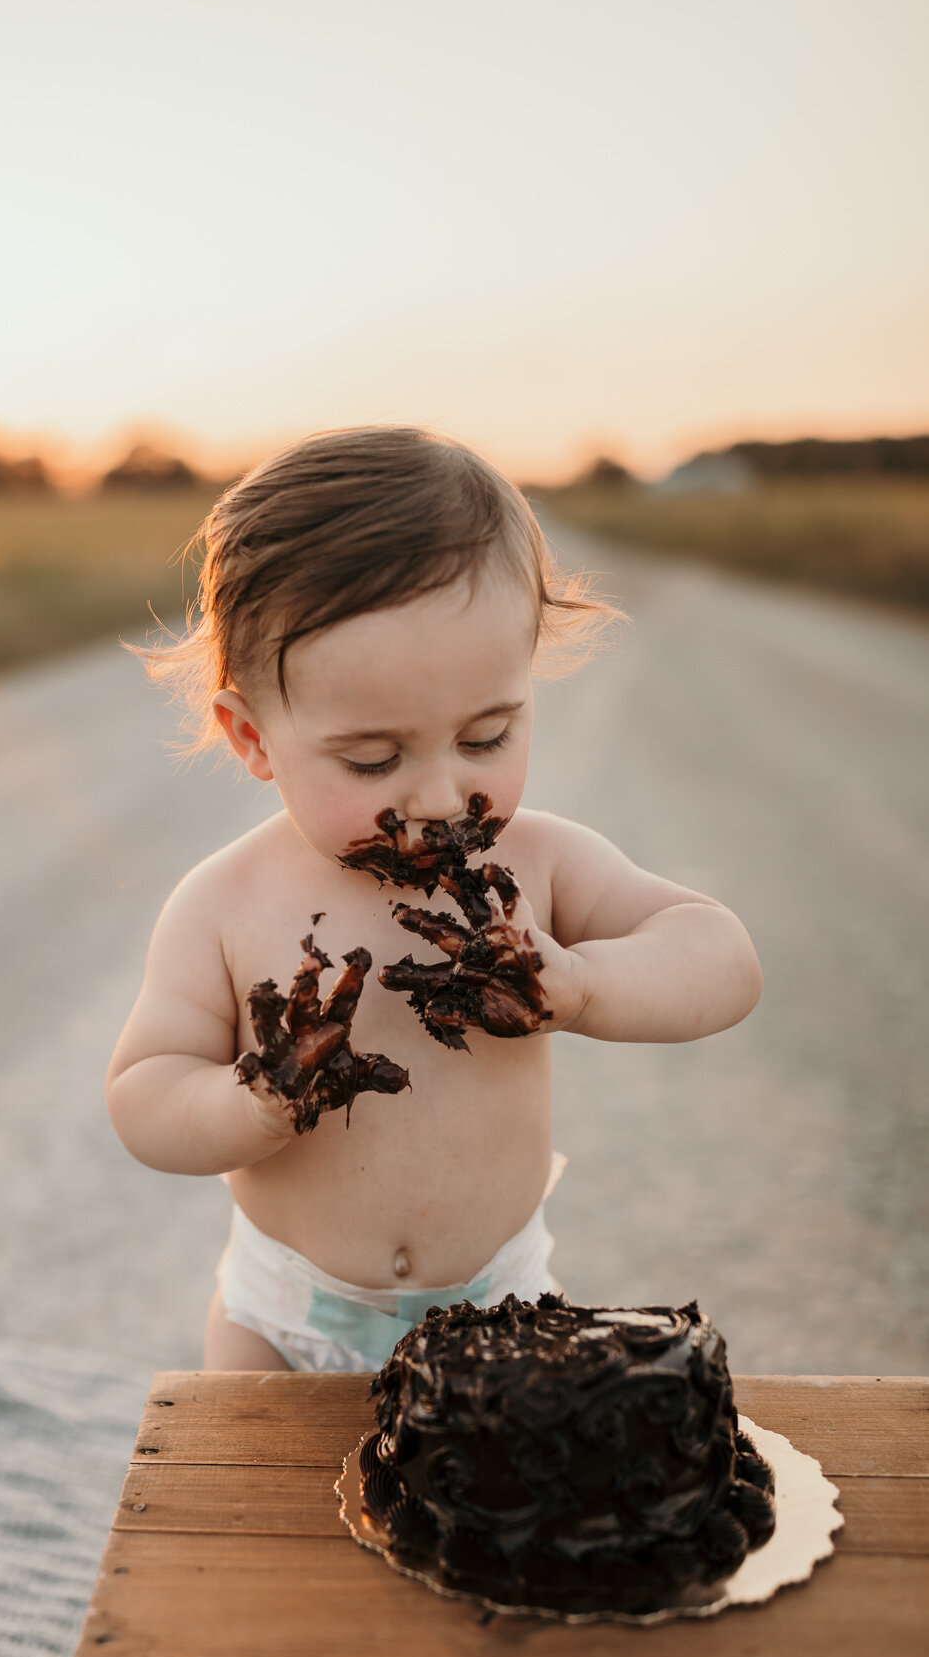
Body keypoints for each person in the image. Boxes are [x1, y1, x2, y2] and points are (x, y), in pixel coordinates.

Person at [106, 428, 762, 1371]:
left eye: (486, 736)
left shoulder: (535, 864)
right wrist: (256, 1099)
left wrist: (577, 986)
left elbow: (719, 957)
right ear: (252, 738)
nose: (440, 796)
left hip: (500, 1309)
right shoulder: (223, 902)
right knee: (254, 1505)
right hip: (285, 1319)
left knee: (510, 1509)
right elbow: (143, 1095)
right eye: (373, 759)